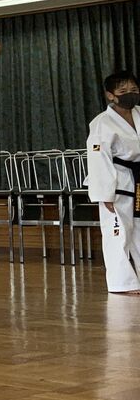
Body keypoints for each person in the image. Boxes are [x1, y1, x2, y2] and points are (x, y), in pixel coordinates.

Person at [87, 71, 140, 295]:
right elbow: (98, 158)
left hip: (138, 180)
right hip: (117, 182)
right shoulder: (102, 123)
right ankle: (122, 283)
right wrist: (104, 194)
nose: (130, 94)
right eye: (123, 91)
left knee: (139, 231)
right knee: (118, 233)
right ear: (111, 95)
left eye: (134, 90)